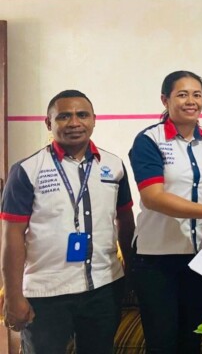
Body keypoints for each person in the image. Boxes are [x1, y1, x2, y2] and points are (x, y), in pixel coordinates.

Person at [0, 89, 135, 354]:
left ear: (94, 120)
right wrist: (13, 295)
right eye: (64, 116)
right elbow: (12, 235)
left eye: (82, 115)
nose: (74, 122)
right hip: (46, 293)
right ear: (48, 123)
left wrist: (131, 270)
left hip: (103, 288)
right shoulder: (27, 170)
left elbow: (125, 220)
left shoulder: (114, 166)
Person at [128, 71, 202, 354]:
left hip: (199, 258)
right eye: (182, 95)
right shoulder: (150, 140)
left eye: (197, 95)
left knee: (191, 339)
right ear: (165, 100)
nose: (191, 101)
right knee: (162, 342)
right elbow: (154, 198)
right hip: (155, 258)